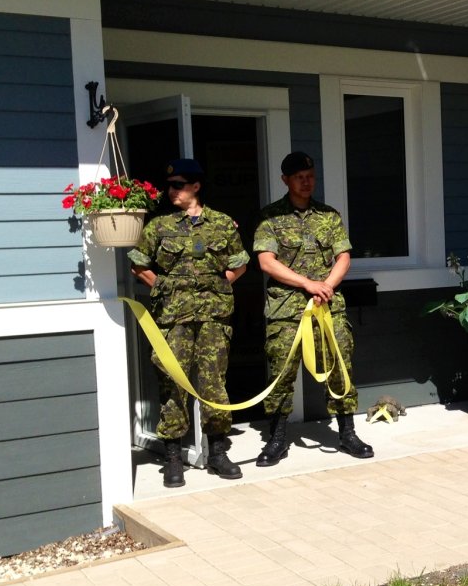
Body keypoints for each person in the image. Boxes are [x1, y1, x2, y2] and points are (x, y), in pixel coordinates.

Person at [128, 158, 249, 487]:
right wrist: (163, 287)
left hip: (213, 316)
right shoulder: (159, 226)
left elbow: (240, 264)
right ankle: (172, 457)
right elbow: (138, 265)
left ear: (196, 186)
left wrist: (220, 284)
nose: (172, 191)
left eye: (178, 185)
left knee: (214, 384)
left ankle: (218, 453)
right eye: (169, 186)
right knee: (173, 384)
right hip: (174, 318)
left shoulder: (222, 224)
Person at [252, 151, 373, 465]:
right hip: (286, 310)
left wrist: (328, 284)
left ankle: (347, 433)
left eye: (310, 176)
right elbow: (267, 261)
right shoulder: (271, 217)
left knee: (340, 366)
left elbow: (343, 256)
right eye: (299, 178)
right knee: (281, 373)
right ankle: (276, 439)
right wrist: (308, 283)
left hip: (326, 306)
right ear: (286, 180)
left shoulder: (328, 215)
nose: (306, 182)